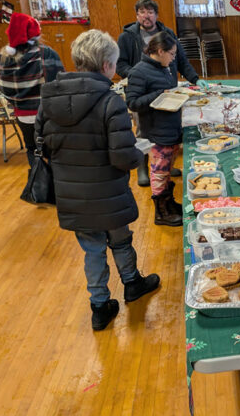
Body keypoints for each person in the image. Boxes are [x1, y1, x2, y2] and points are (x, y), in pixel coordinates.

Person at [35, 30, 161, 331]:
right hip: (109, 191)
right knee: (121, 239)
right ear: (106, 65)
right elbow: (122, 158)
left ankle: (100, 306)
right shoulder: (110, 101)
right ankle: (131, 283)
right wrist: (136, 152)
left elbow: (43, 145)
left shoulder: (48, 99)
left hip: (72, 193)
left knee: (91, 248)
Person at [116, 0, 208, 187]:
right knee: (143, 130)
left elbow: (182, 61)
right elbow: (120, 64)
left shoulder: (167, 34)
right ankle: (143, 168)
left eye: (150, 12)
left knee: (168, 127)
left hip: (166, 91)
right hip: (142, 90)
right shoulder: (127, 37)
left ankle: (166, 164)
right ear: (137, 15)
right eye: (142, 12)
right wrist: (138, 74)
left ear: (156, 15)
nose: (146, 15)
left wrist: (196, 79)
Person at [125, 32, 184, 227]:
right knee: (159, 172)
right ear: (160, 51)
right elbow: (133, 103)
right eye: (172, 54)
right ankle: (161, 213)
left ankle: (169, 204)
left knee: (166, 171)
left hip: (171, 128)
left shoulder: (165, 66)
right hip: (157, 132)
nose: (174, 58)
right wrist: (159, 93)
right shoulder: (139, 72)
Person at [0, 12, 64, 166]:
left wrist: (19, 103)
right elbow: (60, 82)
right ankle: (56, 186)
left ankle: (38, 184)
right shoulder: (45, 53)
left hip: (22, 116)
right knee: (54, 152)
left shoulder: (4, 57)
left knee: (32, 150)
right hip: (47, 114)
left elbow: (4, 89)